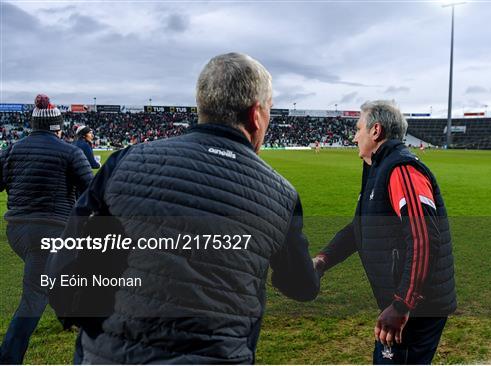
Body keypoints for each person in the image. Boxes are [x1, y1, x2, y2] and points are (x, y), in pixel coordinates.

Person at [48, 52, 320, 364]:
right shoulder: (281, 194)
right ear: (257, 114)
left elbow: (66, 260)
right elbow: (301, 286)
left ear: (203, 104)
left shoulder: (126, 160)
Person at [313, 100, 456, 364]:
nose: (355, 136)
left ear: (375, 131)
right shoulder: (379, 169)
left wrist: (402, 305)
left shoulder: (401, 169)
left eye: (358, 129)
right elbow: (359, 229)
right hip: (408, 304)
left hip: (417, 309)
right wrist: (322, 260)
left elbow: (424, 238)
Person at [0, 94, 93, 364]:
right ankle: (8, 358)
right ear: (57, 126)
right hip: (51, 231)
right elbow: (91, 189)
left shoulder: (13, 149)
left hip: (17, 231)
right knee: (34, 297)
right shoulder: (70, 152)